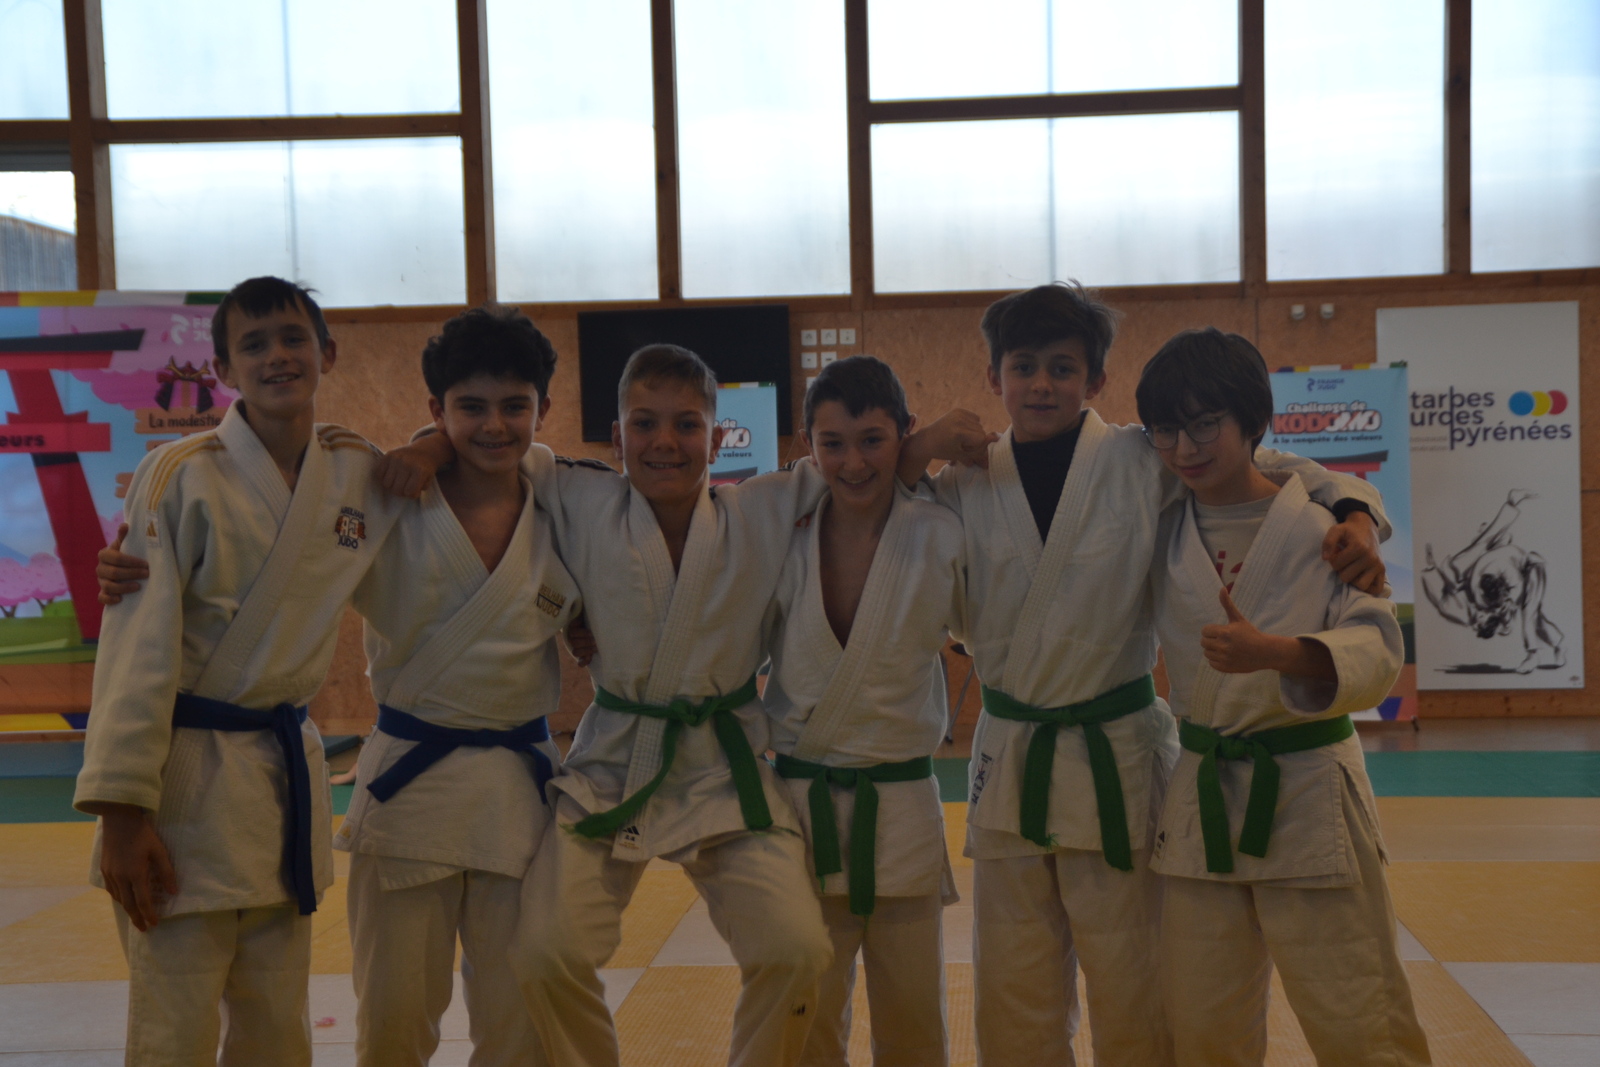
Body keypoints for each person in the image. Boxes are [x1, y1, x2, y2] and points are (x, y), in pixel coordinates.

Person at [897, 282, 1391, 1067]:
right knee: (1011, 990)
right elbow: (863, 501)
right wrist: (915, 446)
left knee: (1135, 981)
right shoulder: (960, 482)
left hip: (1116, 755)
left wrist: (1358, 509)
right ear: (994, 376)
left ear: (1096, 379)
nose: (1042, 384)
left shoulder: (1142, 458)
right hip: (1011, 753)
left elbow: (1269, 466)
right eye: (1023, 366)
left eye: (1064, 368)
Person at [385, 343, 834, 1067]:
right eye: (644, 423)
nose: (665, 442)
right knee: (544, 953)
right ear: (618, 437)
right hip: (614, 765)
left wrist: (931, 440)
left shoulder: (764, 507)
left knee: (798, 948)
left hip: (726, 773)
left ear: (720, 436)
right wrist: (430, 443)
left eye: (687, 424)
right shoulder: (578, 494)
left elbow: (855, 465)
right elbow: (497, 446)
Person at [74, 277, 405, 1065]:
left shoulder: (356, 471)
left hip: (281, 787)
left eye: (293, 338)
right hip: (181, 790)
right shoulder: (179, 473)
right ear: (223, 369)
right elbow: (135, 647)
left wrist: (427, 446)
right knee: (173, 1032)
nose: (277, 356)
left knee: (278, 1029)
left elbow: (441, 510)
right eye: (253, 345)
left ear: (327, 353)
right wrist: (122, 812)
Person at [1136, 328, 1430, 1066]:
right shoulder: (1159, 522)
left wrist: (1278, 653)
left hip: (1309, 790)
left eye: (1206, 424)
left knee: (1360, 1018)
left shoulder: (1327, 532)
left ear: (1253, 422)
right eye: (1166, 429)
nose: (1184, 448)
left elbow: (1377, 650)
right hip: (1201, 796)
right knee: (1202, 1028)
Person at [335, 307, 580, 1066]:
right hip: (411, 787)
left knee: (522, 1022)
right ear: (436, 409)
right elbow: (283, 561)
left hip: (518, 792)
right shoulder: (386, 496)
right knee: (394, 1019)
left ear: (543, 408)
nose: (494, 425)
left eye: (514, 405)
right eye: (470, 407)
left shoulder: (564, 500)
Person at [762, 356, 967, 1067]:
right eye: (834, 444)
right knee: (805, 1019)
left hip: (900, 804)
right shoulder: (780, 528)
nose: (853, 463)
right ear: (807, 444)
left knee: (914, 1020)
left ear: (905, 434)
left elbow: (990, 626)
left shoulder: (939, 529)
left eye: (873, 440)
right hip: (801, 804)